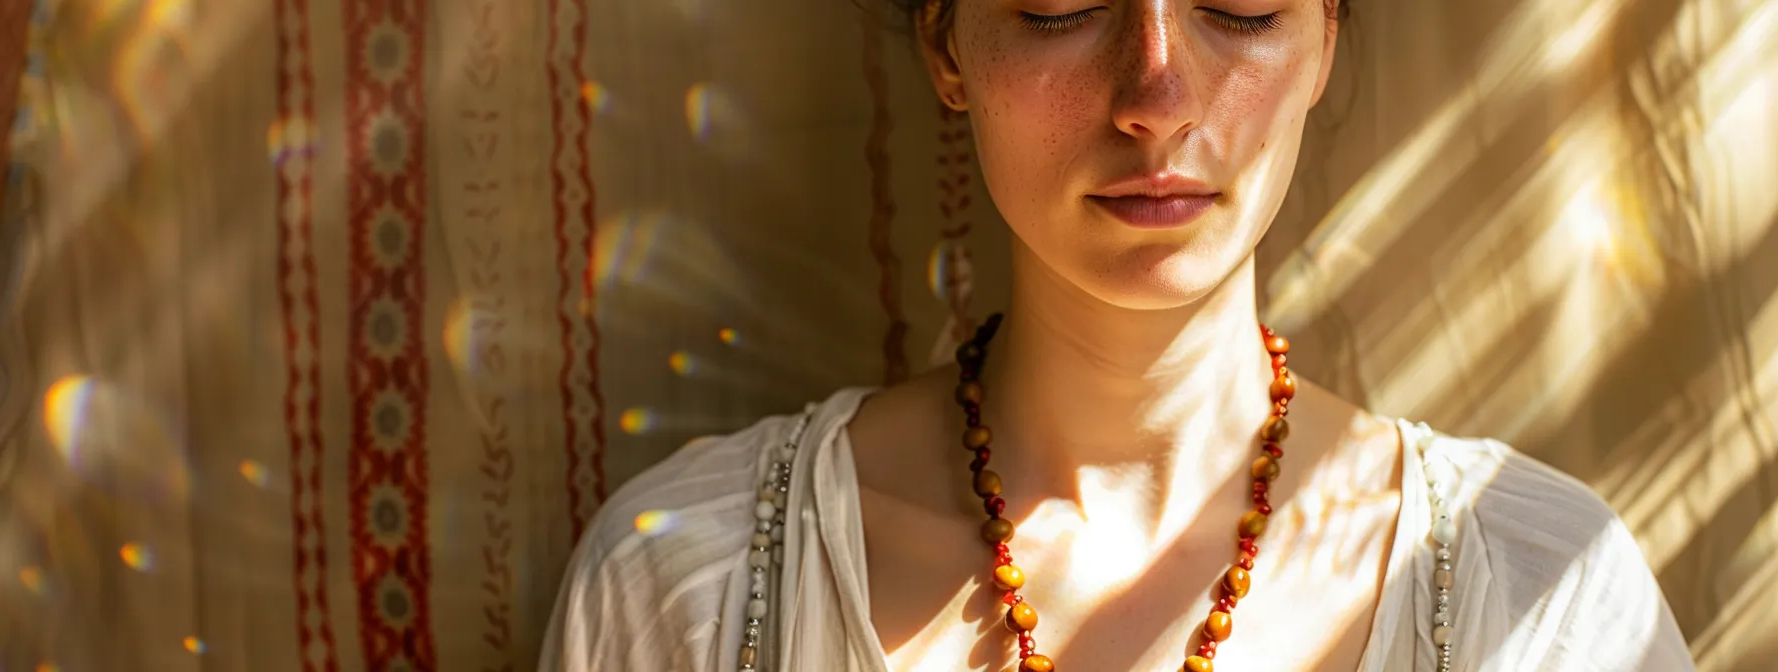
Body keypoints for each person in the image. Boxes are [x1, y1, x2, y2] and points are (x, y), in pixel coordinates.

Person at [538, 0, 1695, 670]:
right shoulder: (686, 589)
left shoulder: (1548, 605)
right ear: (948, 47)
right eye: (1057, 3)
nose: (1154, 89)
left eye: (1238, 6)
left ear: (1325, 41)